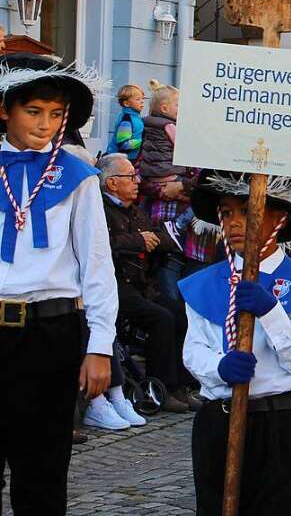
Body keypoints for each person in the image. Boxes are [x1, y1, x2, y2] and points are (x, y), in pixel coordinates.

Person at [178, 172, 291, 514]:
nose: (235, 222)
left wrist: (272, 311)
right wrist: (220, 368)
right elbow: (193, 350)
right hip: (218, 420)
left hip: (277, 423)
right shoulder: (204, 284)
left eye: (248, 211)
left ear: (278, 219)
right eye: (227, 213)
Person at [0, 53, 117, 513]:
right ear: (6, 109)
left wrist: (100, 345)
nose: (45, 124)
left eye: (55, 114)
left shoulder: (78, 178)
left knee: (42, 469)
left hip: (49, 333)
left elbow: (97, 266)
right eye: (33, 112)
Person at [100, 152, 194, 412]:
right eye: (130, 176)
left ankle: (180, 385)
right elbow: (103, 245)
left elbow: (162, 237)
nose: (137, 181)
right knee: (161, 318)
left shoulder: (137, 211)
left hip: (143, 285)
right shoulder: (100, 210)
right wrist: (139, 241)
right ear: (112, 183)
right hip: (116, 285)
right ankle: (161, 387)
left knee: (181, 312)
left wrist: (148, 238)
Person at [138, 80, 198, 304]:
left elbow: (209, 181)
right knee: (168, 297)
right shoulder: (171, 132)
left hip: (199, 239)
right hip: (163, 226)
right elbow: (137, 176)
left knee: (194, 302)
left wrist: (183, 187)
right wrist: (163, 190)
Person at [106, 83, 145, 160]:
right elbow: (123, 144)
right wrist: (142, 142)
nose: (142, 101)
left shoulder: (135, 117)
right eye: (138, 99)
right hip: (120, 160)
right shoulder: (126, 120)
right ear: (127, 103)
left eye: (142, 99)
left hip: (130, 159)